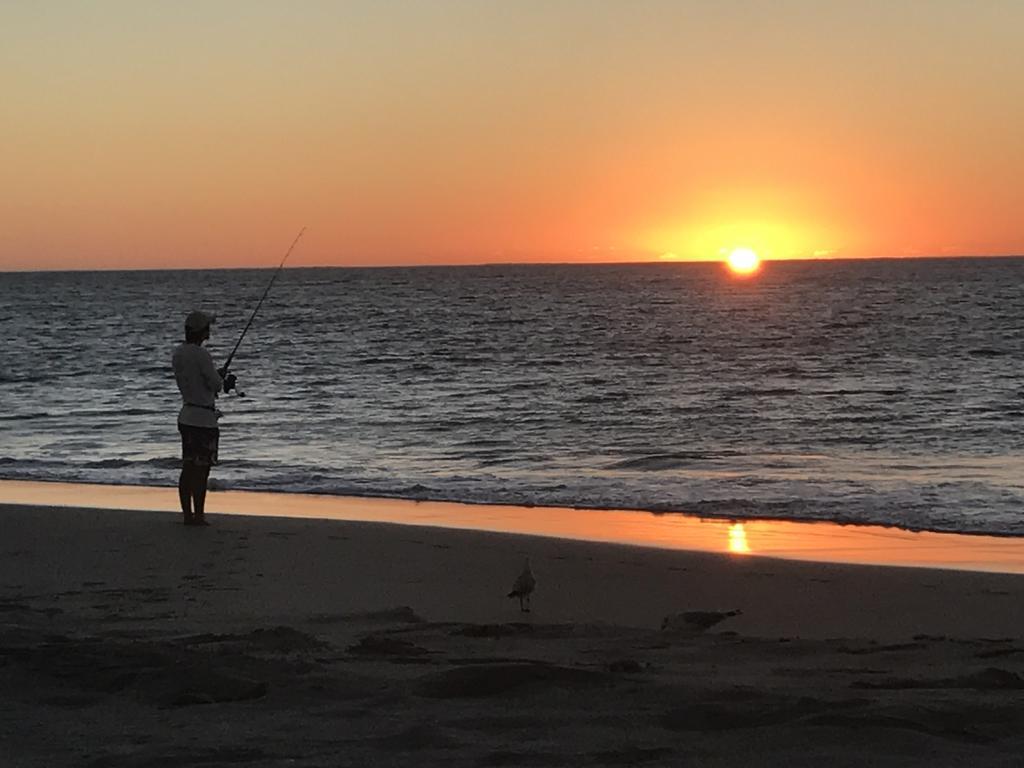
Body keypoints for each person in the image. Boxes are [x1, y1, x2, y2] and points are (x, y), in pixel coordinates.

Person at [172, 310, 236, 526]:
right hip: (203, 420)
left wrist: (214, 376)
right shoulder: (202, 355)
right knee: (202, 470)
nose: (209, 331)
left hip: (186, 415)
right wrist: (220, 377)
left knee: (188, 467)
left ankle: (187, 515)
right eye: (207, 328)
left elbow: (197, 379)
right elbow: (217, 385)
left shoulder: (178, 354)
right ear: (201, 331)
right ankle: (199, 515)